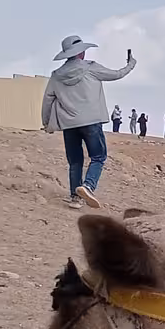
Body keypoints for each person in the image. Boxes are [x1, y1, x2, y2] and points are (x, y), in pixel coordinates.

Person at [41, 36, 135, 209]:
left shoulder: (56, 75)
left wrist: (46, 123)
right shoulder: (91, 68)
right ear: (81, 52)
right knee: (98, 157)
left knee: (75, 161)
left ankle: (75, 198)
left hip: (69, 124)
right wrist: (130, 65)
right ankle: (88, 186)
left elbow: (48, 100)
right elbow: (117, 74)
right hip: (91, 121)